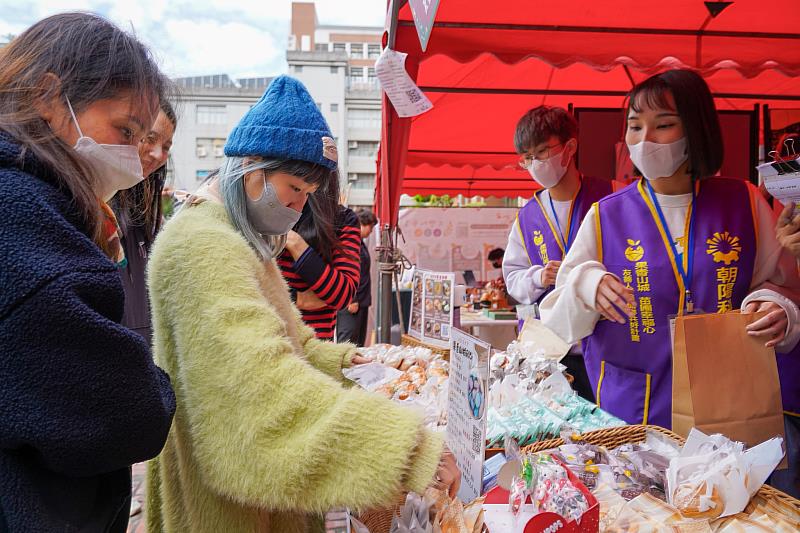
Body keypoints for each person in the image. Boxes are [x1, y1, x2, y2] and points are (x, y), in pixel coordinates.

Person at [145, 76, 459, 532]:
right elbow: (262, 386)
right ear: (252, 170)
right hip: (228, 510)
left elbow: (294, 345)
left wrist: (351, 361)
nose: (298, 207)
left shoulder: (238, 238)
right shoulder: (204, 245)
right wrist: (406, 450)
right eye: (294, 189)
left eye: (308, 196)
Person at [540, 69, 800, 432]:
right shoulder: (606, 215)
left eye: (663, 125)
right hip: (637, 405)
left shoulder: (743, 202)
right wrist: (587, 284)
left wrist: (779, 309)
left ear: (695, 129)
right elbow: (555, 323)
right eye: (634, 126)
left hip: (727, 400)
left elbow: (781, 284)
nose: (645, 139)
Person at [0, 13, 176, 532]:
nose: (136, 154)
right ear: (47, 97)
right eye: (125, 130)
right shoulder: (24, 217)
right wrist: (154, 385)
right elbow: (125, 410)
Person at [502, 106, 612, 401]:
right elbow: (512, 280)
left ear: (569, 147)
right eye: (527, 158)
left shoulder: (611, 198)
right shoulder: (526, 217)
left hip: (604, 344)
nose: (535, 163)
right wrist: (539, 276)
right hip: (548, 349)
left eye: (541, 152)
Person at [113, 100, 177, 345]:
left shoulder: (144, 215)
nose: (158, 154)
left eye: (166, 146)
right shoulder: (92, 207)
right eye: (150, 138)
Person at [278, 193, 362, 340]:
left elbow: (343, 294)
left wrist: (296, 244)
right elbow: (247, 287)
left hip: (316, 348)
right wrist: (296, 298)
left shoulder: (341, 219)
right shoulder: (261, 213)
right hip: (267, 340)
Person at [337, 208, 378, 346]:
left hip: (361, 300)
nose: (371, 231)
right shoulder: (348, 243)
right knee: (348, 340)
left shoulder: (360, 243)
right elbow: (344, 270)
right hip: (352, 301)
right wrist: (351, 299)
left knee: (358, 341)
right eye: (370, 227)